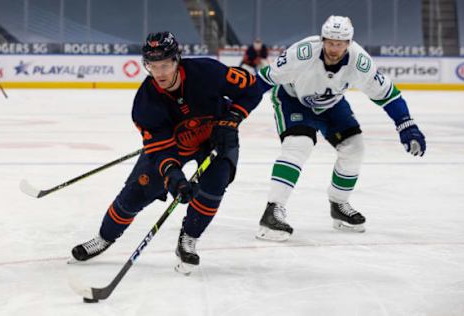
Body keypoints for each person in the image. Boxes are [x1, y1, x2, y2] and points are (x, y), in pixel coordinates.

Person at [71, 31, 262, 274]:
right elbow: (161, 151)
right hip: (174, 147)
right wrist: (173, 176)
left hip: (217, 138)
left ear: (177, 60)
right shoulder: (145, 102)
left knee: (215, 184)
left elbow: (252, 89)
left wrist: (233, 119)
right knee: (136, 193)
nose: (159, 73)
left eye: (165, 65)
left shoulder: (207, 72)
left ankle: (188, 238)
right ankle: (104, 237)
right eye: (152, 66)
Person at [255, 16, 427, 241]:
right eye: (330, 42)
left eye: (340, 43)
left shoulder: (360, 62)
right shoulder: (302, 52)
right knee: (299, 145)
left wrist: (406, 123)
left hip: (331, 105)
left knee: (355, 147)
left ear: (349, 43)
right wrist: (237, 110)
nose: (334, 48)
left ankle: (339, 204)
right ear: (323, 39)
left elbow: (388, 95)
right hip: (292, 98)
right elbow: (264, 80)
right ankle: (272, 210)